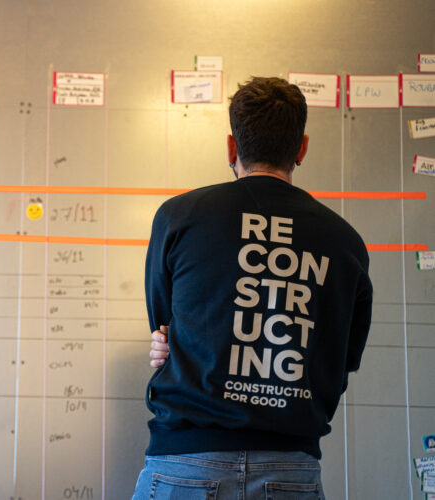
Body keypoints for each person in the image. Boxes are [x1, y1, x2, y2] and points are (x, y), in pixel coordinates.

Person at [132, 77, 373, 499]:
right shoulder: (345, 242)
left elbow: (164, 328)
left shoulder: (180, 217)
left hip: (185, 461)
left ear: (231, 147)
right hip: (291, 468)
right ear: (302, 148)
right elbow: (343, 360)